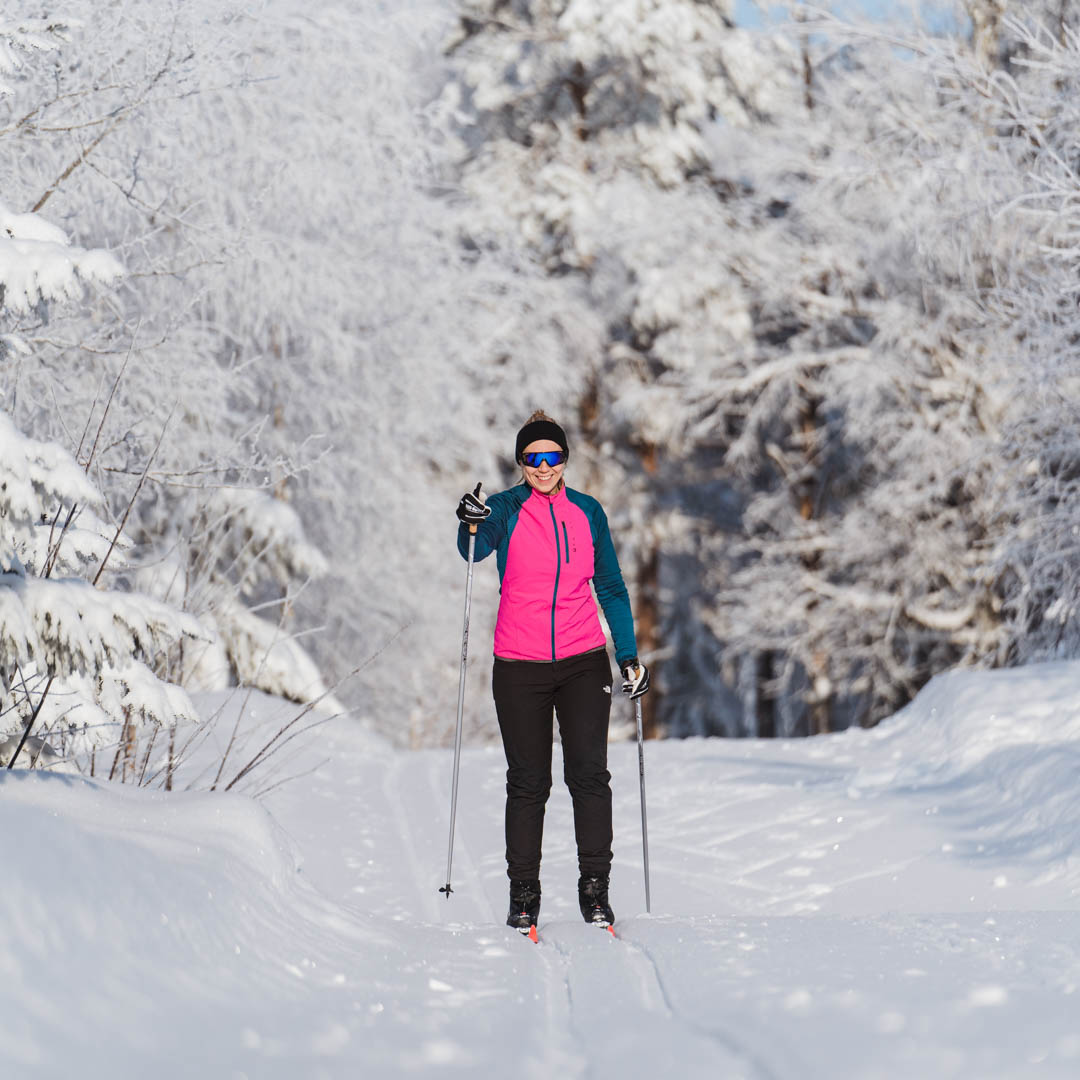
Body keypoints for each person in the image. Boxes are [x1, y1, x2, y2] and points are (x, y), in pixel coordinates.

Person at [455, 410, 649, 934]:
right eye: (533, 457)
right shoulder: (504, 508)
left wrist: (627, 654)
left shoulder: (588, 512)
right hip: (519, 666)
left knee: (589, 776)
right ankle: (524, 894)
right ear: (522, 462)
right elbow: (473, 549)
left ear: (566, 459)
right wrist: (468, 519)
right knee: (527, 783)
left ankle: (595, 890)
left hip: (584, 660)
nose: (544, 466)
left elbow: (609, 585)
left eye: (553, 456)